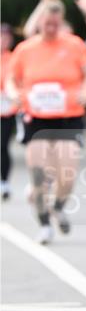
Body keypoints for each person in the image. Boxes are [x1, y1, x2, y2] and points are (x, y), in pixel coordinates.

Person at [6, 0, 86, 243]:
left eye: (55, 24)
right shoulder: (26, 49)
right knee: (38, 175)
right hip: (37, 119)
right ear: (40, 22)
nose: (51, 28)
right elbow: (12, 80)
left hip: (69, 118)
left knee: (67, 175)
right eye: (47, 23)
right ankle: (44, 224)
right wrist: (14, 94)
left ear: (61, 22)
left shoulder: (74, 45)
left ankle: (57, 206)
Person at [0, 23, 17, 199]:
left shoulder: (13, 58)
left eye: (6, 37)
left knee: (2, 145)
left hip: (7, 108)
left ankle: (4, 181)